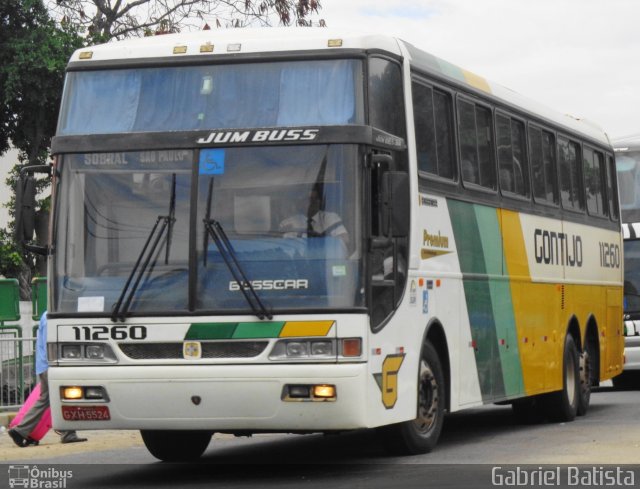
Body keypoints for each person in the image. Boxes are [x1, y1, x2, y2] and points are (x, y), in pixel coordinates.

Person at [8, 312, 87, 447]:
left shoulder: (47, 316)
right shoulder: (51, 317)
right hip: (50, 366)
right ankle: (21, 430)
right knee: (63, 397)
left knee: (50, 399)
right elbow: (49, 344)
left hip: (44, 365)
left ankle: (66, 432)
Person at [279, 187, 349, 249]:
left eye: (316, 199)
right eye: (309, 199)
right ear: (300, 203)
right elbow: (286, 246)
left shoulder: (331, 218)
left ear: (320, 202)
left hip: (326, 259)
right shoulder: (287, 223)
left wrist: (325, 241)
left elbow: (345, 239)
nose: (313, 202)